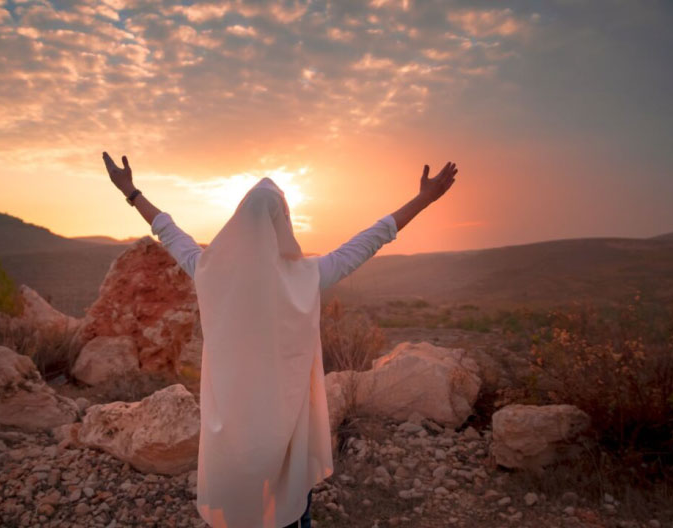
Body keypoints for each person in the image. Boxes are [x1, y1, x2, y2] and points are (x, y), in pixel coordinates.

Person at [102, 152, 457, 528]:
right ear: (283, 225)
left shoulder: (208, 271)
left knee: (238, 507)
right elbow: (369, 240)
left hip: (233, 433)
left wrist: (131, 191)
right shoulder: (306, 275)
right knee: (288, 502)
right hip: (286, 429)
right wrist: (424, 199)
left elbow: (168, 230)